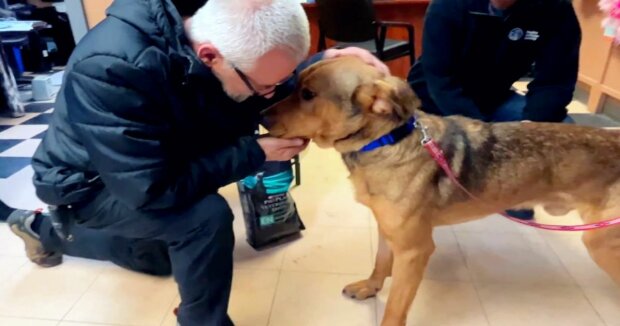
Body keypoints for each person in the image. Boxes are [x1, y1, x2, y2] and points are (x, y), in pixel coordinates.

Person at [7, 0, 387, 325]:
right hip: (87, 184)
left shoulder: (213, 35)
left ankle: (42, 230)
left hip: (148, 164)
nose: (271, 97)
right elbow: (152, 189)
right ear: (209, 56)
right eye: (265, 87)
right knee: (204, 219)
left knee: (160, 260)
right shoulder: (111, 68)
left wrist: (327, 63)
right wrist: (256, 152)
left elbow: (261, 79)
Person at [407, 0, 581, 219]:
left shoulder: (556, 9)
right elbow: (440, 80)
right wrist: (482, 132)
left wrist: (532, 128)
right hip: (434, 101)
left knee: (562, 131)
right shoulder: (447, 5)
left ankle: (507, 192)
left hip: (494, 98)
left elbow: (556, 81)